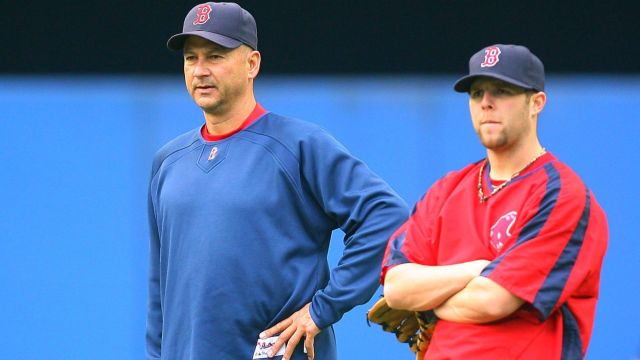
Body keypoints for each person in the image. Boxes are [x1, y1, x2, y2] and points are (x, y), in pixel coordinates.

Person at [145, 2, 408, 360]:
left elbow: (385, 216)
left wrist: (322, 309)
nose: (200, 70)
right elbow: (161, 287)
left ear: (252, 63)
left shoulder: (297, 145)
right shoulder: (168, 162)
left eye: (216, 55)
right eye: (191, 58)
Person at [381, 44, 608, 359]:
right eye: (476, 94)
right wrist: (477, 269)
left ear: (536, 102)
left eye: (502, 91)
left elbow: (492, 301)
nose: (486, 103)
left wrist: (430, 304)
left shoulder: (562, 196)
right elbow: (396, 288)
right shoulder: (445, 191)